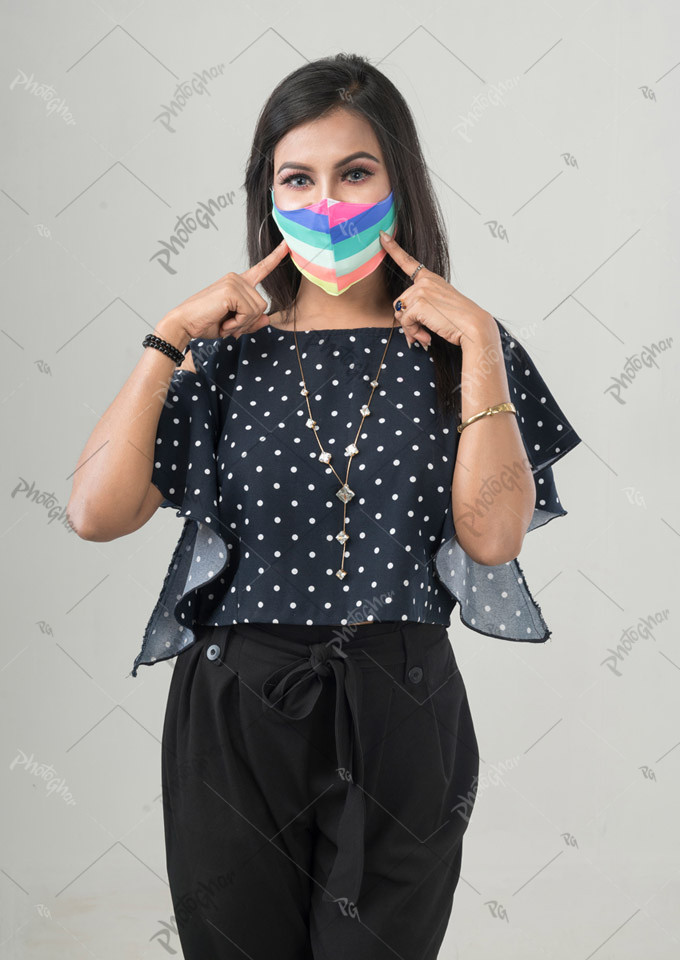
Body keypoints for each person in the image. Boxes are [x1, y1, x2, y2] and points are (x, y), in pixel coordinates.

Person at [68, 53, 581, 960]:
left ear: (400, 182)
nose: (328, 202)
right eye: (297, 178)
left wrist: (484, 349)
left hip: (402, 702)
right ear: (268, 196)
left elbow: (494, 537)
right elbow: (94, 513)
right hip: (235, 705)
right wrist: (170, 337)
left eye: (355, 173)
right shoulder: (226, 356)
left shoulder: (461, 351)